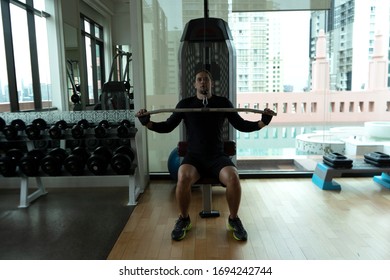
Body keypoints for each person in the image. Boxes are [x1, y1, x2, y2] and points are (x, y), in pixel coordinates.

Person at [136, 70, 274, 241]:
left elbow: (242, 125)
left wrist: (263, 122)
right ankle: (184, 219)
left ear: (211, 83)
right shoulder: (185, 104)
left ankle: (233, 219)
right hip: (194, 157)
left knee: (233, 177)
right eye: (199, 80)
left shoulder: (222, 103)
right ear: (195, 84)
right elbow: (167, 126)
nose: (203, 82)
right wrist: (147, 123)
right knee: (183, 176)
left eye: (206, 80)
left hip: (217, 156)